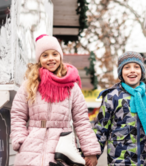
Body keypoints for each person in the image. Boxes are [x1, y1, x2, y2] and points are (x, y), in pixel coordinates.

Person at [10, 34, 101, 166]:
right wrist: (20, 140)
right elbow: (18, 115)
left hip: (62, 149)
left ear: (60, 56)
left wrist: (90, 151)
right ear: (39, 59)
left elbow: (81, 121)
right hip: (30, 149)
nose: (51, 58)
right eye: (45, 55)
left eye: (54, 54)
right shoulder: (29, 85)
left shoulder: (72, 87)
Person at [93, 51, 146, 166]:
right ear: (121, 72)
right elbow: (101, 128)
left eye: (136, 67)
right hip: (119, 160)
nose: (132, 70)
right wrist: (92, 153)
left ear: (142, 71)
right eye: (127, 67)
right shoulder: (112, 97)